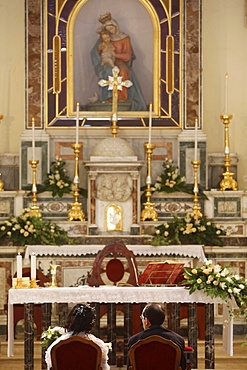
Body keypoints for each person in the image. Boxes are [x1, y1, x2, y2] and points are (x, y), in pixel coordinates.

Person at [91, 12, 147, 111]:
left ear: (116, 26)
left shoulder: (125, 38)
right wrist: (101, 52)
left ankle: (121, 97)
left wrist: (115, 55)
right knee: (108, 71)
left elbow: (128, 56)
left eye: (111, 29)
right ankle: (108, 97)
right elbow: (95, 51)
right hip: (107, 61)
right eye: (108, 30)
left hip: (120, 61)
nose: (111, 32)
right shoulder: (105, 38)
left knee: (122, 71)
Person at [45, 303, 110, 370]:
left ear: (70, 320)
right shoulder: (98, 345)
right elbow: (104, 368)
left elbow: (50, 366)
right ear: (90, 323)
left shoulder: (56, 345)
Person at [127, 303, 186, 370]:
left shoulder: (134, 341)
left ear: (146, 321)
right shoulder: (178, 340)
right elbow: (182, 367)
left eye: (142, 318)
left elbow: (130, 367)